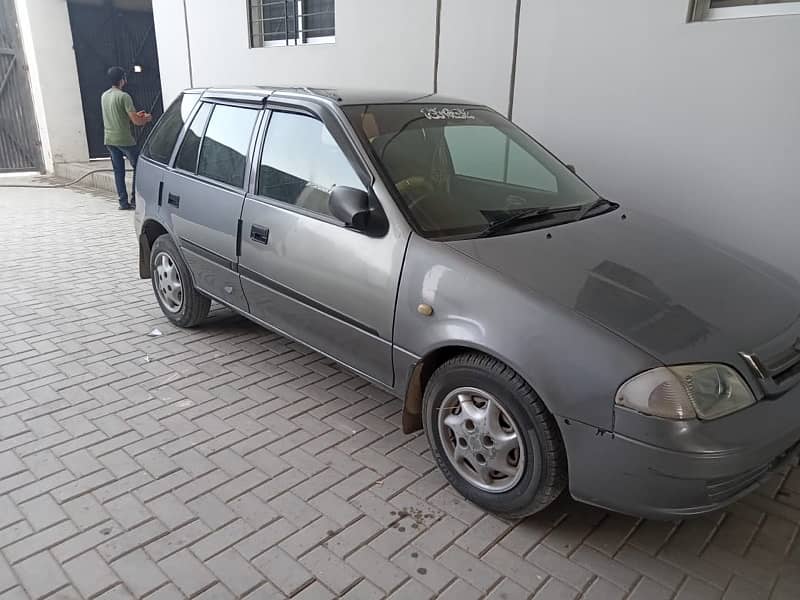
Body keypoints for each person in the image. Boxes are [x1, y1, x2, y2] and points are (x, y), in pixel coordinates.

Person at [101, 66, 152, 210]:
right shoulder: (124, 96)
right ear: (122, 79)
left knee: (118, 171)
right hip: (124, 139)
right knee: (139, 166)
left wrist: (136, 115)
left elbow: (119, 116)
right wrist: (146, 118)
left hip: (109, 139)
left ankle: (123, 202)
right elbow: (136, 121)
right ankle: (135, 199)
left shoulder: (104, 96)